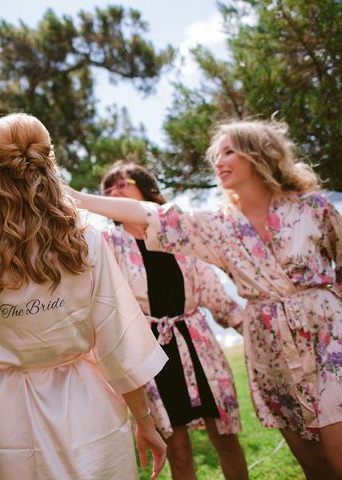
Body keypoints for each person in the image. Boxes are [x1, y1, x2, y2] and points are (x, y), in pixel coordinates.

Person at [71, 119, 342, 479]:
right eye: (217, 153)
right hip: (243, 348)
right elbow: (147, 222)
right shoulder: (215, 226)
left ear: (259, 152)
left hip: (323, 336)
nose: (218, 160)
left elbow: (212, 289)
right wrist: (71, 196)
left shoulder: (314, 208)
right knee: (313, 464)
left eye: (229, 151)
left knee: (331, 450)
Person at [0, 113, 169, 480]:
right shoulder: (85, 240)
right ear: (49, 168)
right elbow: (116, 342)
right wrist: (145, 420)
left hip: (18, 408)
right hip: (88, 401)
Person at [99, 161, 248, 479]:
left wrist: (248, 326)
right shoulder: (107, 244)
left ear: (144, 186)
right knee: (177, 449)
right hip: (152, 353)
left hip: (197, 344)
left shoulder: (176, 231)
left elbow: (210, 287)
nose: (113, 191)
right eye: (108, 189)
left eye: (121, 183)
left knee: (225, 437)